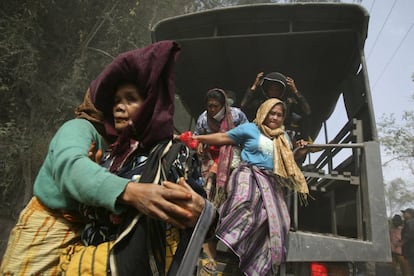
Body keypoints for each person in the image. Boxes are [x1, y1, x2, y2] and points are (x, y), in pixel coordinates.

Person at [0, 41, 206, 276]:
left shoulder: (135, 150)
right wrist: (132, 192)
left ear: (150, 104)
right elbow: (72, 168)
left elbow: (190, 198)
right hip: (48, 226)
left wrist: (203, 214)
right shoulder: (79, 129)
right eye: (115, 101)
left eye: (130, 99)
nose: (118, 107)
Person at [193, 98, 309, 275]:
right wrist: (198, 138)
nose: (275, 117)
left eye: (279, 114)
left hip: (271, 182)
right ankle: (213, 243)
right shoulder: (250, 129)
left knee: (280, 223)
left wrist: (301, 151)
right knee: (245, 200)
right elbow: (223, 137)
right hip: (248, 173)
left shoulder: (283, 137)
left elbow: (289, 161)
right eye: (272, 112)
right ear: (264, 111)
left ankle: (251, 261)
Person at [193, 88, 248, 272]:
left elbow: (247, 135)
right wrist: (200, 143)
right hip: (211, 160)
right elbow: (197, 136)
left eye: (216, 106)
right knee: (210, 197)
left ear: (224, 105)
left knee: (230, 200)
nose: (212, 110)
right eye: (209, 106)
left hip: (232, 160)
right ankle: (208, 241)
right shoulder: (202, 118)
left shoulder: (237, 115)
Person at [241, 71, 312, 143]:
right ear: (267, 90)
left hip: (282, 136)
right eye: (271, 90)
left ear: (281, 91)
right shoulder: (261, 104)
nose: (274, 92)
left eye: (277, 90)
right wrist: (254, 86)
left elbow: (307, 111)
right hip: (262, 136)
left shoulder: (288, 103)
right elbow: (243, 107)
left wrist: (295, 91)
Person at [402, 208, 414, 275]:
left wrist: (401, 243)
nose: (403, 214)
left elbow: (410, 234)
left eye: (405, 213)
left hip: (411, 250)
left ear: (410, 214)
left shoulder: (410, 222)